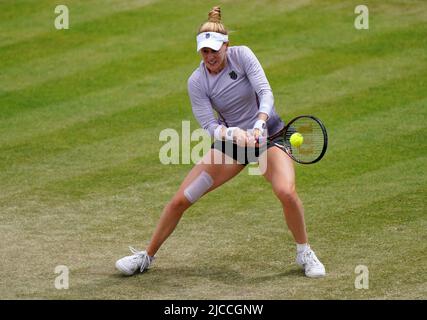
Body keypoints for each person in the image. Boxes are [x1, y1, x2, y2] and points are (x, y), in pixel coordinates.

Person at [115, 6, 325, 278]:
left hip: (270, 137)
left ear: (226, 45)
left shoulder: (243, 55)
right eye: (205, 51)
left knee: (285, 192)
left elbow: (265, 92)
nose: (210, 56)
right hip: (232, 146)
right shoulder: (197, 81)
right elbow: (209, 126)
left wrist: (260, 123)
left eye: (215, 50)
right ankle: (146, 257)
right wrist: (233, 134)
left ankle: (304, 252)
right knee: (182, 199)